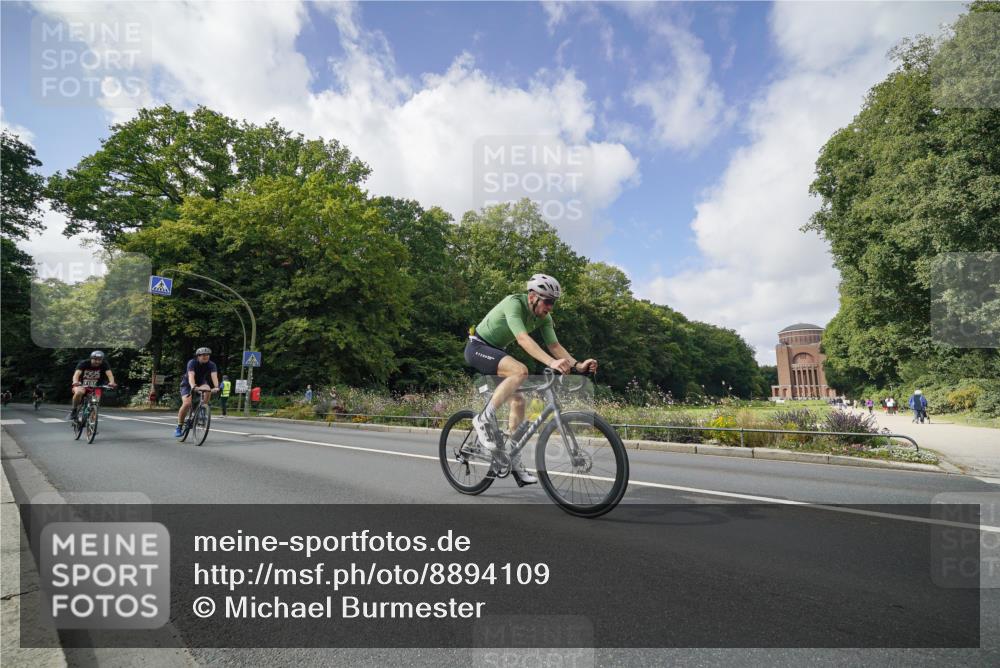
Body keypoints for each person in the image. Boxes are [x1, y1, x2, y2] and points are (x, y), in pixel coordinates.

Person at [464, 274, 597, 485]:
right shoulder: (513, 303)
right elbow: (523, 339)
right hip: (478, 347)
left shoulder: (545, 318)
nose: (550, 307)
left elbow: (555, 346)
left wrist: (577, 365)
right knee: (521, 371)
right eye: (547, 301)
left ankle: (513, 456)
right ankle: (483, 418)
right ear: (533, 296)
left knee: (519, 402)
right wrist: (551, 363)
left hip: (497, 352)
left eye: (553, 302)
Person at [175, 347, 220, 437]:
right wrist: (193, 386)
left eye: (207, 355)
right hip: (187, 384)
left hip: (201, 382)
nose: (206, 357)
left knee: (207, 389)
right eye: (203, 355)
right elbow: (191, 375)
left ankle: (202, 409)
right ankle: (179, 426)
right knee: (187, 404)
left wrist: (216, 387)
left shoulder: (212, 364)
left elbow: (214, 376)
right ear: (198, 356)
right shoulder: (192, 362)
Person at [69, 351, 117, 420]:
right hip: (82, 385)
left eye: (99, 360)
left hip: (97, 386)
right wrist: (75, 382)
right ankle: (74, 410)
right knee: (79, 392)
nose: (97, 362)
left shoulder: (104, 364)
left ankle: (91, 427)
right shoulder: (84, 363)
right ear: (91, 358)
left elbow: (110, 375)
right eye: (95, 359)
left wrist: (112, 382)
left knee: (96, 403)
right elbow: (76, 374)